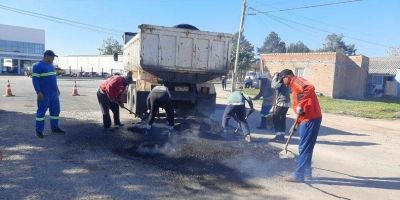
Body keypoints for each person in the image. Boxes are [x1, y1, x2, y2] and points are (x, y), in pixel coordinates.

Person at [278, 69, 322, 182]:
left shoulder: (296, 81)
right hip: (309, 118)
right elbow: (301, 110)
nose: (283, 83)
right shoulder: (294, 85)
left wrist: (300, 105)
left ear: (287, 76)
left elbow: (310, 87)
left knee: (304, 147)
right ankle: (307, 174)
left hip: (310, 119)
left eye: (282, 80)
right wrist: (296, 123)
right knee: (307, 147)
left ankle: (299, 175)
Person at [32, 50, 65, 138]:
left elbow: (53, 79)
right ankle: (39, 131)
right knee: (41, 113)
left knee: (55, 111)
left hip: (54, 94)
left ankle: (55, 127)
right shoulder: (37, 66)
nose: (53, 59)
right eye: (52, 57)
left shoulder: (51, 66)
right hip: (44, 94)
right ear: (46, 56)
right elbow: (35, 80)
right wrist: (38, 92)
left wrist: (57, 89)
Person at [270, 72, 291, 142]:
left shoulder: (281, 82)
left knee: (275, 117)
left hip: (282, 102)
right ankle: (282, 135)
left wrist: (275, 76)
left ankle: (278, 135)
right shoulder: (287, 82)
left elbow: (273, 86)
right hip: (287, 103)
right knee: (282, 119)